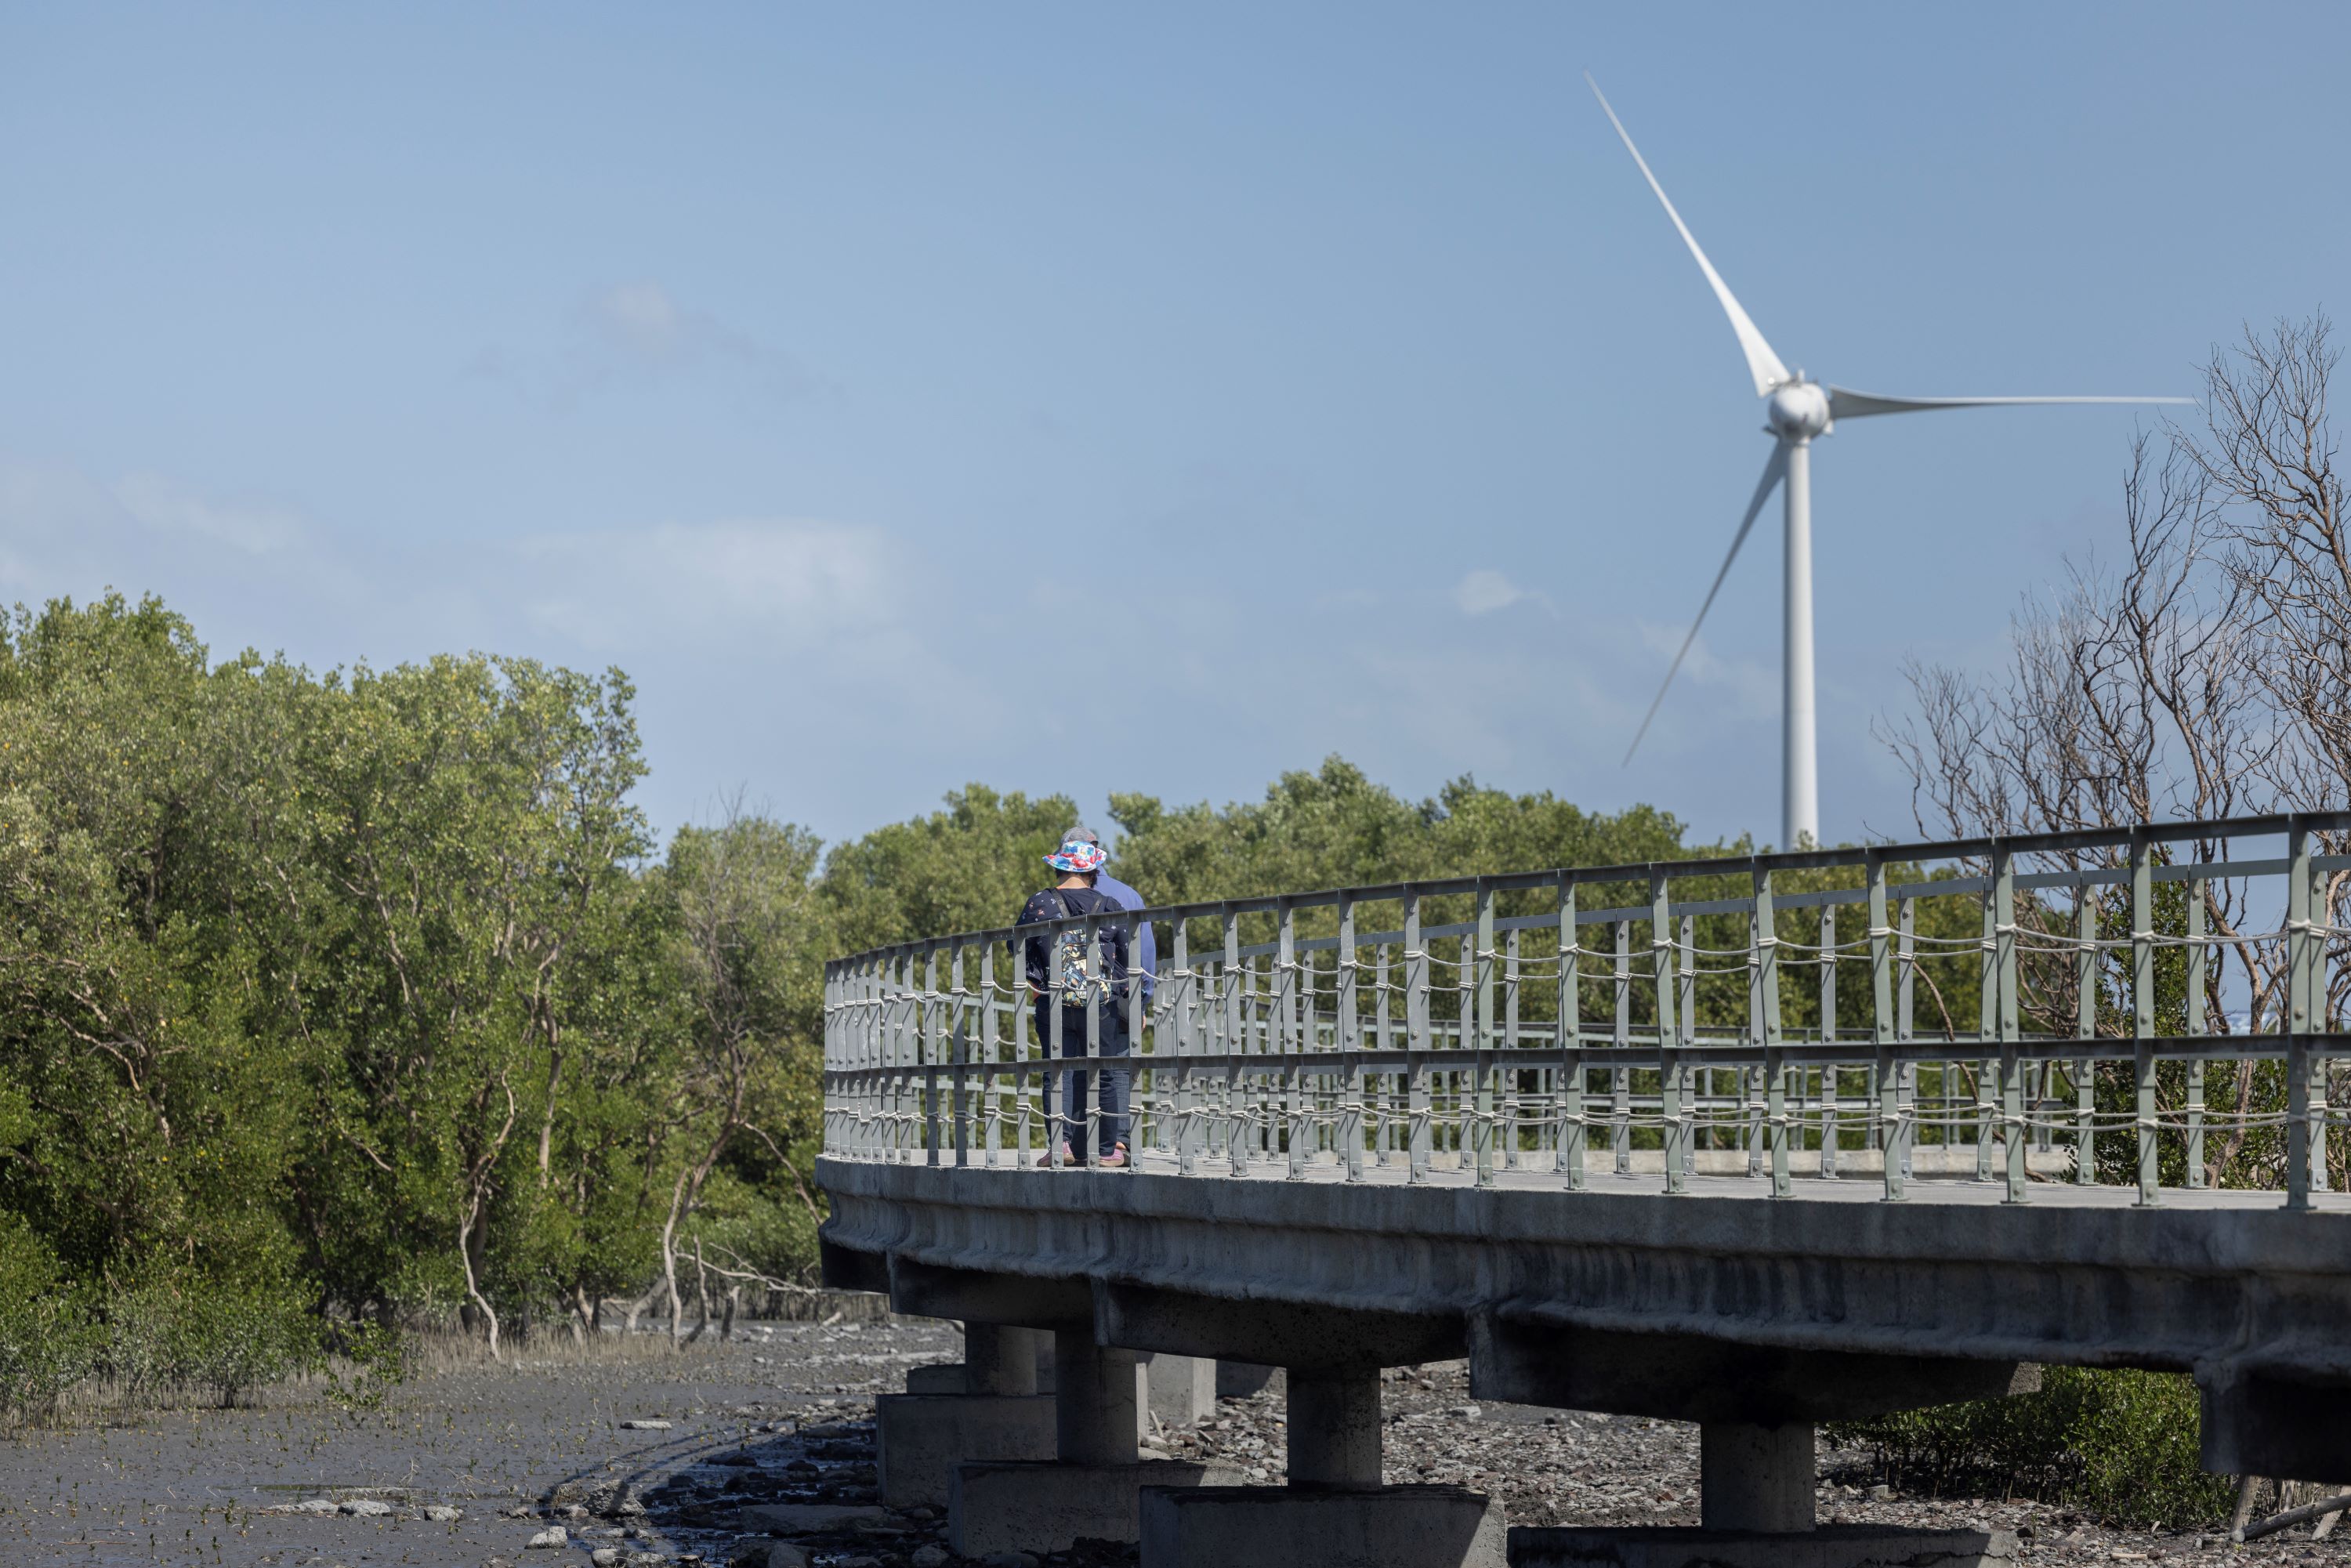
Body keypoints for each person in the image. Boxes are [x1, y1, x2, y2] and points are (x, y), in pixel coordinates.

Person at [1017, 838, 1132, 1168]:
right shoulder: (1109, 905)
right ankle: (1107, 1150)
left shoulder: (1039, 902)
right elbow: (1126, 956)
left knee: (1057, 1072)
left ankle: (1061, 1147)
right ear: (1093, 870)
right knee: (1104, 1071)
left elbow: (1018, 950)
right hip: (1100, 1003)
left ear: (1059, 867)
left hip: (1053, 1000)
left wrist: (1038, 981)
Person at [1068, 824, 1155, 1009]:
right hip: (1120, 999)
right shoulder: (1129, 894)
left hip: (1067, 999)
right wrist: (1142, 1001)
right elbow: (1144, 953)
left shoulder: (1053, 898)